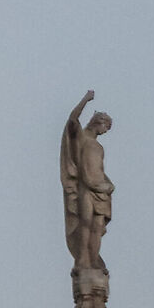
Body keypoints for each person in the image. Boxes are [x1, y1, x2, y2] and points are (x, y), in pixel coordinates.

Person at [60, 91, 114, 271]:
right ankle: (83, 259)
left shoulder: (99, 146)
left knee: (97, 228)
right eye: (106, 127)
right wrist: (85, 99)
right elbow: (72, 120)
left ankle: (93, 260)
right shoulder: (82, 138)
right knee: (85, 223)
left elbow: (99, 169)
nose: (105, 132)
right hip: (86, 188)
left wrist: (109, 184)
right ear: (99, 122)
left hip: (102, 191)